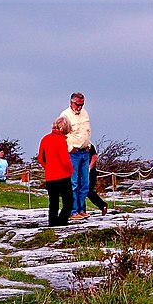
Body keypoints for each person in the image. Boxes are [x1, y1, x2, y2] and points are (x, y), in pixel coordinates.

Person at [37, 116, 74, 226]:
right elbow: (65, 160)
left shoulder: (45, 138)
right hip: (63, 176)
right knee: (68, 202)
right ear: (66, 128)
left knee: (53, 203)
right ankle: (62, 221)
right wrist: (70, 171)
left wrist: (47, 168)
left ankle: (52, 222)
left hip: (50, 176)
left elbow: (40, 158)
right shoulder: (61, 141)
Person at [61, 92, 91, 220]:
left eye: (82, 105)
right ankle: (72, 211)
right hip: (73, 153)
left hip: (85, 151)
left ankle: (81, 209)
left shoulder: (84, 113)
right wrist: (69, 148)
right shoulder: (65, 115)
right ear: (71, 102)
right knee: (73, 183)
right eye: (78, 104)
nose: (79, 107)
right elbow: (61, 135)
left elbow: (87, 130)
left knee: (85, 183)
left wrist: (89, 144)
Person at [86, 143, 107, 215]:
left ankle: (102, 205)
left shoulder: (89, 145)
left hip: (90, 172)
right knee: (79, 191)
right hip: (79, 172)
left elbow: (94, 157)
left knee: (88, 190)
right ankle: (81, 211)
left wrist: (89, 168)